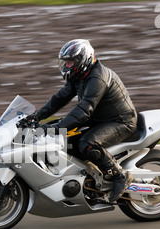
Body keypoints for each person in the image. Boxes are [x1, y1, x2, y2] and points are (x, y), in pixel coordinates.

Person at [33, 39, 137, 203]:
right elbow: (59, 99)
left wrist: (59, 127)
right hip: (98, 119)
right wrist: (36, 117)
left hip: (120, 121)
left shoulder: (97, 77)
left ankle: (120, 175)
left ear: (83, 59)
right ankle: (86, 179)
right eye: (65, 62)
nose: (66, 66)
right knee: (58, 136)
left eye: (70, 62)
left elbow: (83, 110)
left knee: (87, 143)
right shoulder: (79, 75)